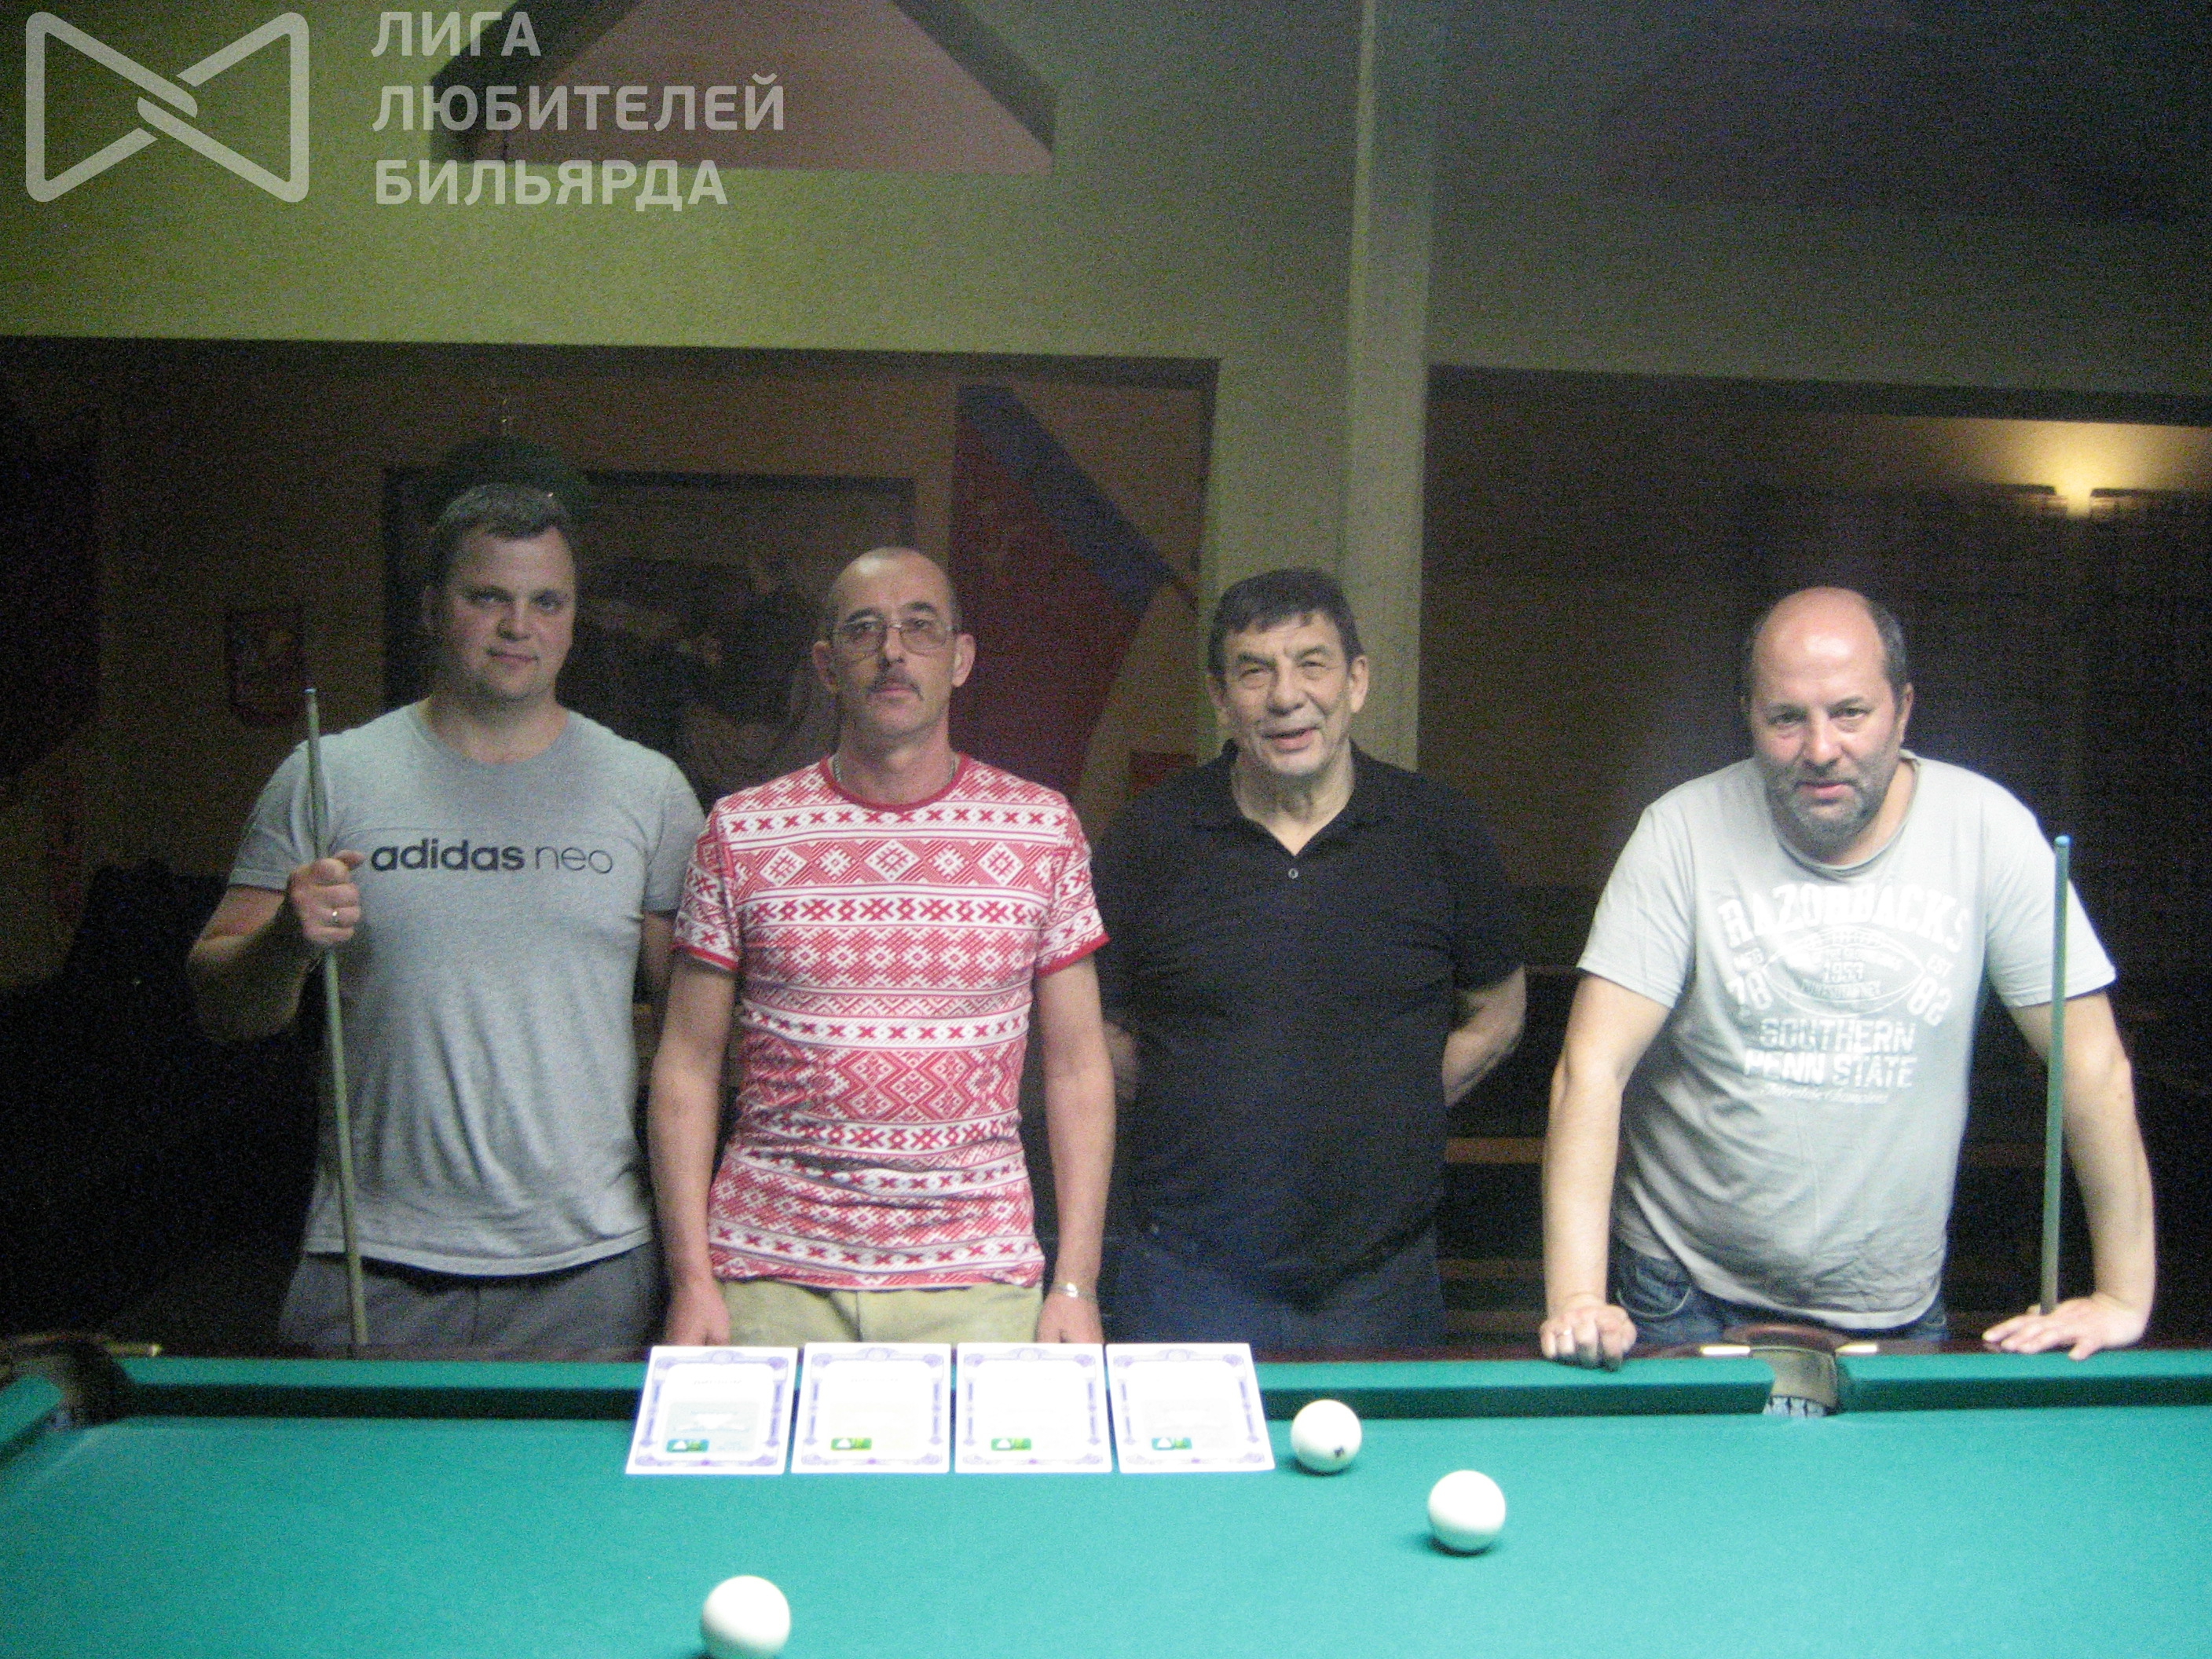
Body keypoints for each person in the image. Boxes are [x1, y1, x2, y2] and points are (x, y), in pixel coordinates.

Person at [1542, 587, 2156, 1368]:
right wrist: (1576, 1299)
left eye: (1850, 713)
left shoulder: (1987, 831)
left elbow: (2091, 1064)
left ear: (1902, 709)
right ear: (1748, 716)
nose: (1821, 747)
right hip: (1679, 1290)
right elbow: (1591, 1069)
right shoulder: (1680, 833)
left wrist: (2122, 1295)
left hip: (1893, 1303)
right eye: (1785, 718)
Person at [189, 483, 705, 1355]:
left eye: (547, 602)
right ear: (432, 610)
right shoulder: (328, 775)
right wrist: (286, 941)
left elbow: (696, 1039)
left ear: (573, 621)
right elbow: (222, 1010)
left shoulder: (648, 791)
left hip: (590, 1271)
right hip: (371, 1269)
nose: (519, 626)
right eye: (487, 597)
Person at [650, 547, 1115, 1346]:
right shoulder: (740, 830)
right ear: (826, 666)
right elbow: (686, 1067)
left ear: (960, 659)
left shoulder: (1042, 830)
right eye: (864, 630)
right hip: (767, 1281)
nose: (893, 651)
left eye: (920, 627)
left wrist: (1076, 1282)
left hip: (977, 1284)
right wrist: (691, 1279)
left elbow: (1077, 1070)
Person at [1090, 568, 1525, 1349]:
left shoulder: (1440, 831)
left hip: (1381, 1284)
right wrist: (1188, 1098)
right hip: (1182, 1278)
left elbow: (1498, 1012)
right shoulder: (1147, 838)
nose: (1286, 696)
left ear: (1355, 682)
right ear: (1221, 698)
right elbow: (1090, 1028)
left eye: (1311, 664)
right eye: (1254, 671)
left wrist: (1394, 1099)